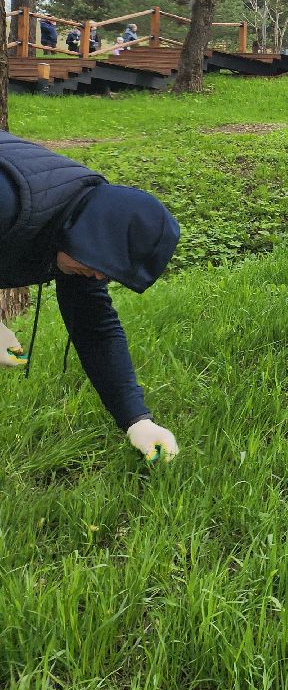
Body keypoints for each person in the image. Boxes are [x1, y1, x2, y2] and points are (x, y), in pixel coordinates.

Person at [0, 131, 182, 461]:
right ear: (88, 234)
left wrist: (136, 420)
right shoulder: (9, 201)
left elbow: (94, 328)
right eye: (99, 264)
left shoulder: (82, 230)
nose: (99, 276)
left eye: (108, 270)